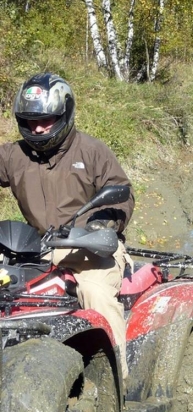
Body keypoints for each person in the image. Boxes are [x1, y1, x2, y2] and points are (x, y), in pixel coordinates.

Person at [0, 72, 134, 381]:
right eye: (30, 121)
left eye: (46, 120)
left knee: (94, 292)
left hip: (91, 246)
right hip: (38, 247)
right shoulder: (15, 154)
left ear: (64, 114)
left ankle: (117, 379)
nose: (38, 128)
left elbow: (121, 191)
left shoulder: (91, 151)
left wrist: (105, 223)